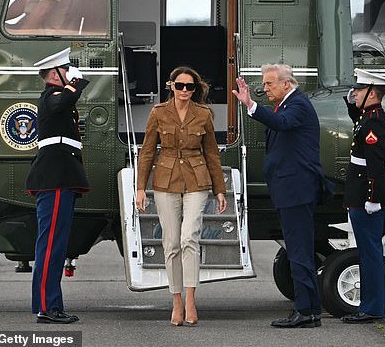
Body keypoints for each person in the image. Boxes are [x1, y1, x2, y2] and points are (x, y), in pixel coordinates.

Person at [233, 64, 327, 329]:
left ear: (287, 84)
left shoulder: (297, 105)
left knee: (298, 251)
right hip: (291, 190)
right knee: (299, 250)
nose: (265, 89)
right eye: (264, 84)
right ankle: (311, 310)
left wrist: (251, 105)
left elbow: (281, 124)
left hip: (295, 191)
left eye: (269, 84)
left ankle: (305, 311)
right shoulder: (287, 105)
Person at [135, 66, 227, 326]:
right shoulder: (158, 112)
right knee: (171, 243)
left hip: (198, 180)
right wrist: (140, 188)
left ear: (195, 89)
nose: (185, 90)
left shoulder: (204, 114)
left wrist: (220, 189)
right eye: (180, 85)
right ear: (171, 86)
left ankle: (191, 300)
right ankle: (176, 300)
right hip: (165, 180)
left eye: (189, 86)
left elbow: (212, 153)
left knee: (189, 238)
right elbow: (147, 151)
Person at [26, 47, 89, 324]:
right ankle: (46, 307)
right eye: (65, 70)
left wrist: (73, 84)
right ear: (54, 75)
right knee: (51, 246)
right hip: (55, 178)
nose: (70, 73)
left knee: (56, 246)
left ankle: (51, 305)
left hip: (61, 178)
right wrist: (76, 83)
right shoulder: (52, 97)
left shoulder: (57, 97)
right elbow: (59, 103)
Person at [340, 68, 385, 324]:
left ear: (372, 94)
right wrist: (352, 103)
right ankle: (369, 305)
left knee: (370, 253)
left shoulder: (375, 121)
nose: (356, 92)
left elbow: (375, 164)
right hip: (360, 193)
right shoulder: (369, 117)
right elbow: (357, 122)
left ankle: (372, 308)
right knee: (366, 252)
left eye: (360, 90)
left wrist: (373, 198)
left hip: (365, 196)